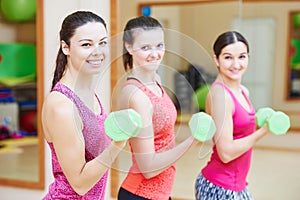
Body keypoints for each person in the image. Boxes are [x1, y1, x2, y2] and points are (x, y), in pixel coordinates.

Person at [42, 11, 127, 199]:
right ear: (66, 47)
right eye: (86, 44)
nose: (98, 51)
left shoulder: (89, 94)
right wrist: (119, 143)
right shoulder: (62, 106)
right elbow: (79, 184)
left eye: (102, 43)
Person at [117, 16, 198, 200]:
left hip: (161, 194)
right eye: (145, 47)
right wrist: (193, 140)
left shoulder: (157, 82)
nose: (155, 53)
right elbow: (147, 167)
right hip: (139, 194)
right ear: (129, 47)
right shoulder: (136, 95)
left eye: (159, 45)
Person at [194, 31, 270, 200]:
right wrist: (262, 132)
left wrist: (260, 119)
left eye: (242, 57)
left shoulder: (243, 91)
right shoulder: (220, 96)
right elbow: (226, 152)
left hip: (239, 185)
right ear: (216, 60)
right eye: (228, 57)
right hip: (219, 186)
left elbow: (239, 125)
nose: (236, 64)